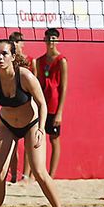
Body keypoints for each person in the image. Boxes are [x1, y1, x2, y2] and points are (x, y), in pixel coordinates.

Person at [0, 39, 66, 207]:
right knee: (0, 173)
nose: (0, 57)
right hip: (7, 126)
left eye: (4, 53)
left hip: (31, 124)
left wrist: (41, 128)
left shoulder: (25, 76)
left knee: (39, 171)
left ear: (13, 56)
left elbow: (42, 104)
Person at [36, 28, 69, 176]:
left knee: (54, 140)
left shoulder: (61, 61)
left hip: (54, 106)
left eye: (54, 39)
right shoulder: (39, 61)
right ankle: (37, 172)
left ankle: (51, 174)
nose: (51, 41)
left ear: (58, 40)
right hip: (42, 105)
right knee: (38, 138)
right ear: (44, 40)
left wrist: (59, 112)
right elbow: (38, 84)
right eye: (48, 38)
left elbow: (63, 87)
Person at [5, 31, 32, 183]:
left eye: (18, 41)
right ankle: (14, 176)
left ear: (22, 44)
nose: (15, 44)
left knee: (29, 144)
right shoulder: (9, 61)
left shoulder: (31, 61)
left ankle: (26, 175)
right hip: (13, 105)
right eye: (13, 41)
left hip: (28, 105)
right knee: (12, 144)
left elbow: (36, 84)